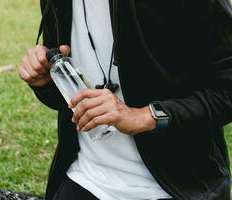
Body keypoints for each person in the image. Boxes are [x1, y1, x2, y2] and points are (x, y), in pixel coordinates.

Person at [19, 0, 232, 199]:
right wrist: (45, 81)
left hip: (178, 186)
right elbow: (67, 101)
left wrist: (146, 116)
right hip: (85, 176)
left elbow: (225, 89)